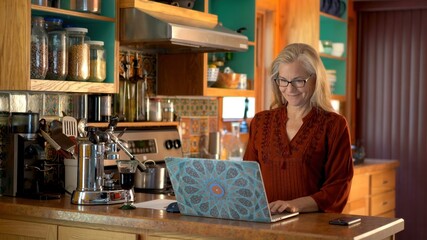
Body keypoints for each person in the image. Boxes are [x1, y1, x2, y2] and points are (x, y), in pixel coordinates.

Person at [243, 43, 353, 213]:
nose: (289, 89)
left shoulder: (334, 125)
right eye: (283, 81)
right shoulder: (261, 121)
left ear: (316, 79)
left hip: (312, 230)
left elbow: (338, 188)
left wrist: (295, 205)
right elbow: (247, 177)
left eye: (298, 81)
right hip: (265, 226)